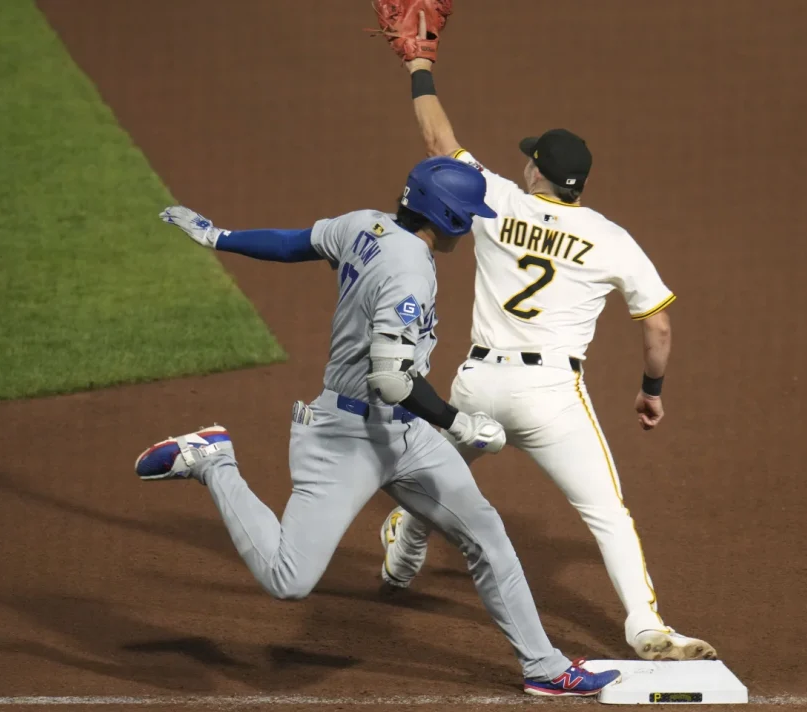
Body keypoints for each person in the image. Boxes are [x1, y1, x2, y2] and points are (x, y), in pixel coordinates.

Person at [132, 156, 621, 697]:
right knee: (287, 580)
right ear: (450, 218)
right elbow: (391, 379)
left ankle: (544, 667)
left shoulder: (365, 223)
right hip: (346, 438)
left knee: (486, 535)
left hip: (405, 435)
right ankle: (213, 460)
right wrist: (462, 424)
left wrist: (220, 237)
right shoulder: (409, 270)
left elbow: (296, 243)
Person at [378, 40, 718, 662]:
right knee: (607, 514)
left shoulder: (496, 199)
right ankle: (646, 627)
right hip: (551, 400)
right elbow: (659, 326)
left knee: (435, 476)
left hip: (477, 385)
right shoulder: (611, 238)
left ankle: (402, 549)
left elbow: (436, 141)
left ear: (536, 172)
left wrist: (418, 66)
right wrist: (651, 390)